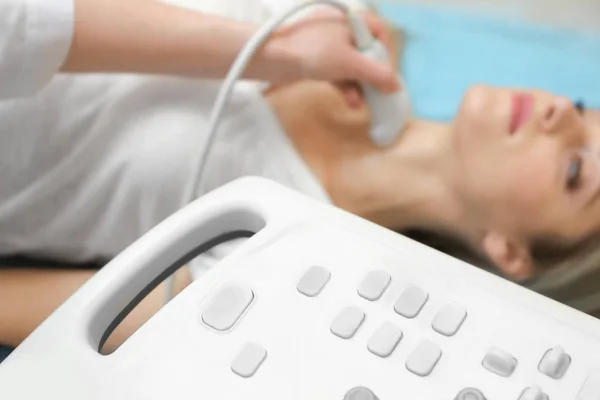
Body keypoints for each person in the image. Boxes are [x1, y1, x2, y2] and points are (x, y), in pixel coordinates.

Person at [1, 0, 599, 355]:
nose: (559, 115)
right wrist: (280, 48)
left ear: (509, 251)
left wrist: (273, 52)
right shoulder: (334, 25)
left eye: (575, 172)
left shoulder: (291, 267)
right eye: (581, 107)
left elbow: (58, 316)